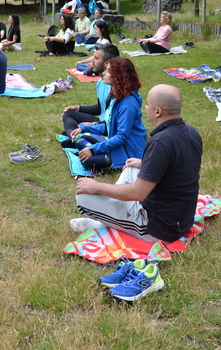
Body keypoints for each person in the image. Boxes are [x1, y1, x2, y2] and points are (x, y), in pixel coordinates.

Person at [72, 84, 203, 243]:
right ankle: (115, 215)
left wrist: (97, 186)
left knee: (84, 196)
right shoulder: (191, 131)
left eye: (147, 104)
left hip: (157, 228)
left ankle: (111, 222)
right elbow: (179, 167)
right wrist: (144, 163)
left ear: (158, 111)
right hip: (181, 219)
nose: (145, 107)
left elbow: (137, 194)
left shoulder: (160, 142)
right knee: (131, 168)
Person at [70, 57, 147, 171]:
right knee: (79, 138)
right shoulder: (117, 97)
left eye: (108, 71)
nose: (104, 73)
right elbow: (110, 125)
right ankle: (97, 152)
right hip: (117, 144)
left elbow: (122, 137)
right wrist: (84, 128)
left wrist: (92, 149)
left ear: (119, 75)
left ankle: (116, 163)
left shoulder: (128, 103)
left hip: (128, 151)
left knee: (87, 161)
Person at [62, 43, 120, 136]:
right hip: (102, 122)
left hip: (111, 127)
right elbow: (100, 108)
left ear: (107, 62)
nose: (92, 61)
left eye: (96, 59)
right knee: (69, 114)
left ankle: (78, 139)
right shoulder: (101, 82)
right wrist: (78, 108)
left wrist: (94, 125)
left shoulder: (119, 87)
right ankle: (75, 137)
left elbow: (116, 122)